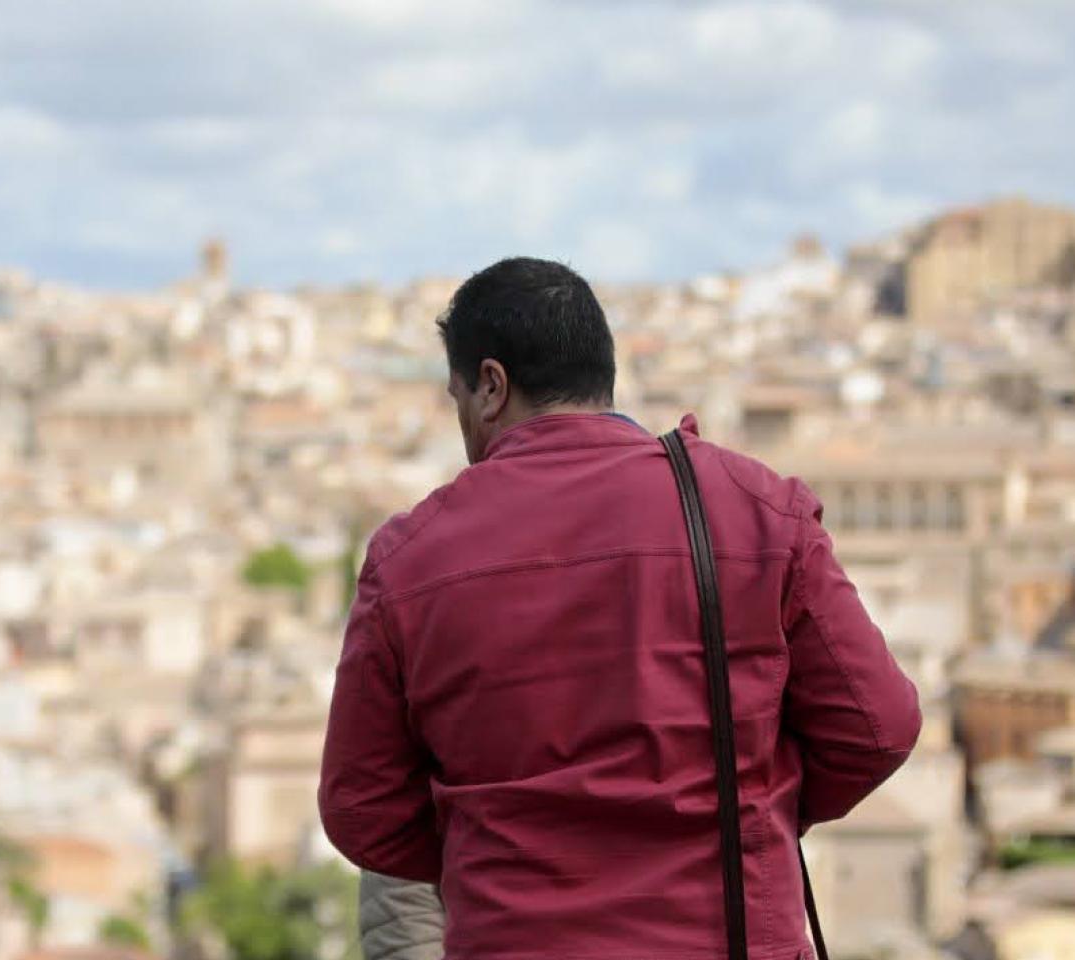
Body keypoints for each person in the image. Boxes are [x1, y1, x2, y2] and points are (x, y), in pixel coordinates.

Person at [318, 257, 922, 960]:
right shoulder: (752, 510)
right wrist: (749, 811)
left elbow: (362, 809)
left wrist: (493, 846)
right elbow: (880, 727)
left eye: (458, 400)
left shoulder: (410, 559)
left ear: (490, 386)